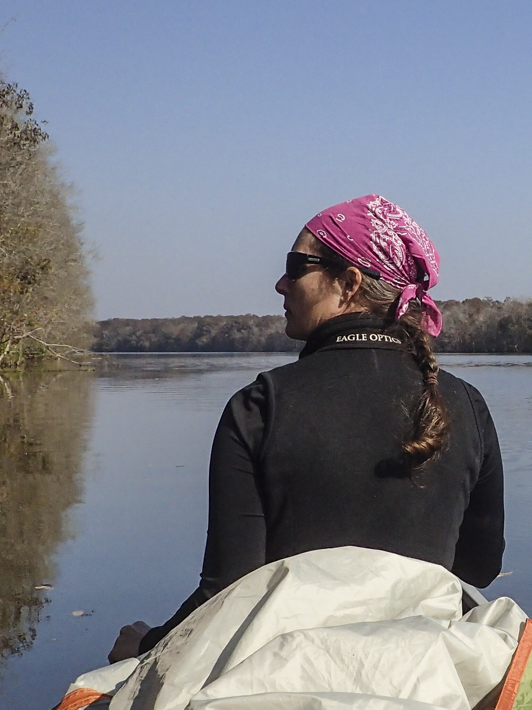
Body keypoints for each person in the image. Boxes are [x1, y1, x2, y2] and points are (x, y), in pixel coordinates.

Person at [108, 195, 504, 663]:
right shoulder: (467, 405)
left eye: (296, 267)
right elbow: (478, 568)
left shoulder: (261, 406)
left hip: (288, 675)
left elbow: (225, 595)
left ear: (348, 283)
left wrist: (147, 646)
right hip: (424, 674)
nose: (280, 283)